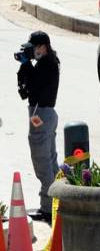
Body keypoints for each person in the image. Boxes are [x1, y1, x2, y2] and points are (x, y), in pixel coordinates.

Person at [15, 30, 60, 223]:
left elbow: (32, 87)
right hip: (46, 115)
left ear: (43, 47)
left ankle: (48, 208)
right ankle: (56, 203)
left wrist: (26, 65)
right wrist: (26, 65)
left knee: (42, 162)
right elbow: (27, 90)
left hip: (40, 115)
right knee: (50, 160)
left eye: (34, 49)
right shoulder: (49, 62)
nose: (32, 52)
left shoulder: (46, 65)